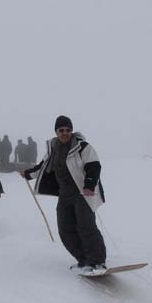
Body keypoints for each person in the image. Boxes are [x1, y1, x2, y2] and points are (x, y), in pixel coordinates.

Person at [20, 115, 106, 274]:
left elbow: (94, 165)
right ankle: (83, 260)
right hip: (64, 195)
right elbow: (43, 167)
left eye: (68, 130)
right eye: (61, 130)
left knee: (86, 227)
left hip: (83, 193)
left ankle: (97, 262)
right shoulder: (53, 148)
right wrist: (28, 174)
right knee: (65, 229)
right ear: (56, 131)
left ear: (71, 131)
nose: (65, 133)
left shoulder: (82, 146)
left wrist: (89, 184)